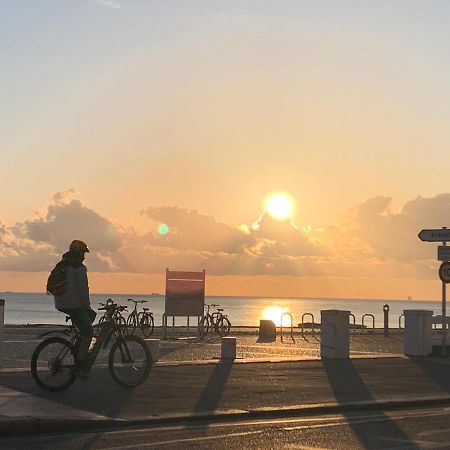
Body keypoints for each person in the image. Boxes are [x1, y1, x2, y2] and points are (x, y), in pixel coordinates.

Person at [53, 240, 94, 378]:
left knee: (83, 328)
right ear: (78, 253)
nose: (84, 256)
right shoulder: (79, 268)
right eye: (82, 253)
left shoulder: (62, 265)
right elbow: (83, 291)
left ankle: (78, 351)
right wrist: (87, 307)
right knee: (88, 333)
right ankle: (79, 365)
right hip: (73, 305)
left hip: (60, 303)